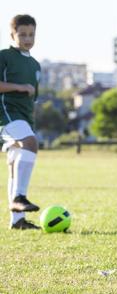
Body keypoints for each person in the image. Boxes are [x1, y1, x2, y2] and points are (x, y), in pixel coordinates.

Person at [0, 14, 42, 230]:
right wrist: (19, 87)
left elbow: (31, 100)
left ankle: (18, 221)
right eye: (22, 34)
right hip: (5, 114)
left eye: (31, 34)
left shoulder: (35, 65)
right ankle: (20, 197)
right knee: (31, 143)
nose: (27, 38)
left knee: (15, 161)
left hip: (22, 118)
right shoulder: (4, 56)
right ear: (12, 34)